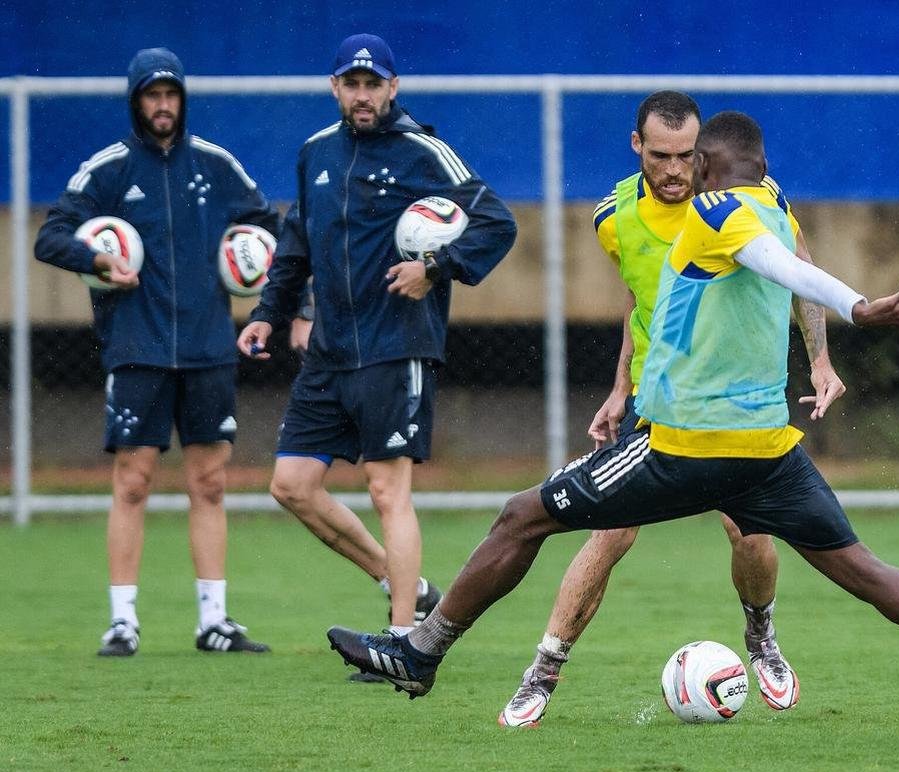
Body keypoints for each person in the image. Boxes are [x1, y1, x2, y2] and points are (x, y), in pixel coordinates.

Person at [328, 111, 899, 738]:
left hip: (679, 447)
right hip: (770, 453)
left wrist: (862, 308)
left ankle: (421, 652)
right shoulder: (769, 202)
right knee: (866, 571)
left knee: (522, 517)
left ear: (708, 165)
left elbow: (780, 265)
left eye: (691, 159)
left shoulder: (717, 213)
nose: (680, 171)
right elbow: (774, 259)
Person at [499, 91, 846, 727]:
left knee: (749, 532)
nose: (675, 170)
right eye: (661, 156)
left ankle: (761, 635)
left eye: (687, 155)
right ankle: (542, 672)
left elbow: (800, 269)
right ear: (638, 147)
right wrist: (619, 388)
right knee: (611, 532)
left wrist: (820, 361)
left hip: (729, 401)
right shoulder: (613, 217)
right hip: (659, 398)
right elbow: (643, 302)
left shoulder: (751, 197)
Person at [237, 34, 517, 665]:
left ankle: (401, 642)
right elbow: (296, 246)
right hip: (330, 351)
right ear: (334, 88)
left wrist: (435, 268)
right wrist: (267, 315)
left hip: (398, 346)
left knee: (387, 490)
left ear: (393, 87)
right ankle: (405, 586)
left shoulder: (423, 151)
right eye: (351, 84)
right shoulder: (316, 153)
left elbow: (497, 223)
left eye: (373, 84)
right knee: (291, 485)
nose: (362, 95)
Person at [34, 48, 277, 657]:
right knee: (134, 481)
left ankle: (214, 621)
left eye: (171, 95)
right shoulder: (109, 169)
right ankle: (122, 622)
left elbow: (268, 227)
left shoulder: (217, 164)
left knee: (210, 483)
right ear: (136, 101)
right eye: (152, 95)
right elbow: (51, 236)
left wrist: (255, 264)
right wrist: (97, 260)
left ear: (182, 100)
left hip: (208, 348)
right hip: (136, 348)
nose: (162, 106)